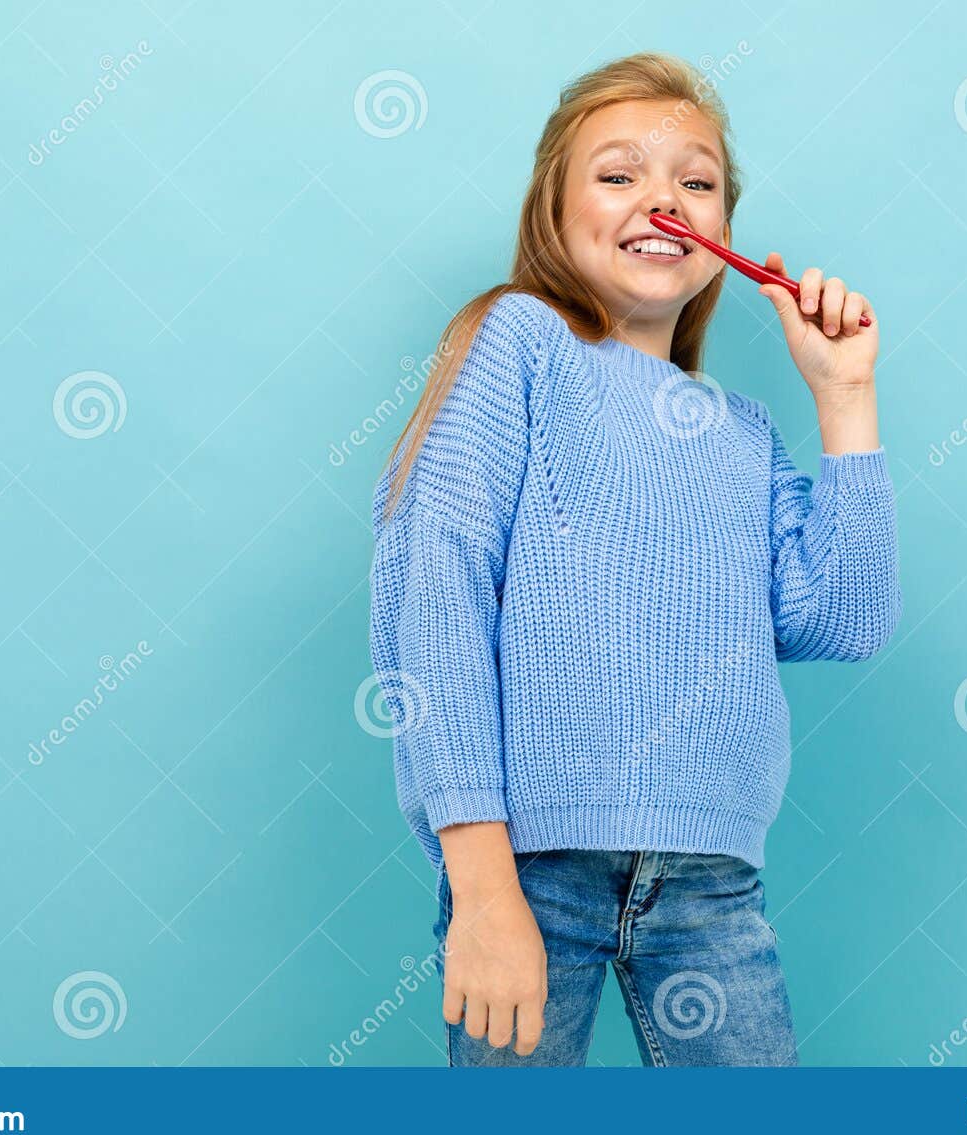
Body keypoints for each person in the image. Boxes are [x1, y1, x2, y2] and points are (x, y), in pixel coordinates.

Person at [368, 51, 902, 1066]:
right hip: (529, 866)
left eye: (695, 182)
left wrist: (843, 396)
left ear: (722, 239)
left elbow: (845, 617)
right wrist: (480, 885)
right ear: (553, 215)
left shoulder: (744, 434)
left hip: (712, 879)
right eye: (618, 174)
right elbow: (429, 591)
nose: (662, 198)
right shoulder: (516, 341)